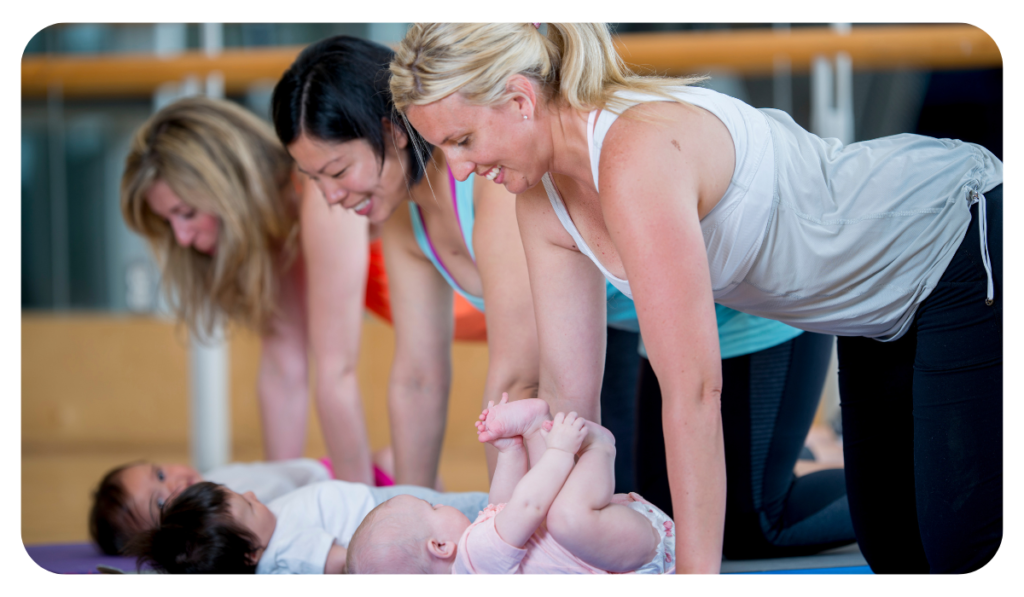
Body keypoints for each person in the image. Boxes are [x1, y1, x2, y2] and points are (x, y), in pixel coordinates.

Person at [389, 23, 1002, 573]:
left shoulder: (635, 154)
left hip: (951, 237)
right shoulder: (540, 199)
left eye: (463, 140)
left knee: (961, 553)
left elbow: (693, 391)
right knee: (897, 551)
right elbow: (568, 402)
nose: (460, 171)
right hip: (869, 314)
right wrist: (531, 557)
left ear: (520, 100)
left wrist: (694, 583)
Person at [270, 35, 646, 489]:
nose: (330, 197)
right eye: (314, 180)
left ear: (392, 132)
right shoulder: (404, 218)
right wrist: (411, 507)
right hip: (623, 331)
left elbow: (520, 374)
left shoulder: (491, 178)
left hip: (692, 323)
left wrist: (500, 523)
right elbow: (417, 379)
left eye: (337, 172)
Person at [121, 97, 482, 487]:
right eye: (168, 221)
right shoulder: (277, 237)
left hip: (486, 303)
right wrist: (279, 501)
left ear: (226, 188)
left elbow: (337, 373)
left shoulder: (321, 193)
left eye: (186, 213)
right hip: (476, 312)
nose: (182, 237)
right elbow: (283, 371)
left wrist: (357, 512)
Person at [346, 397, 673, 574]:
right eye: (432, 507)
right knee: (559, 518)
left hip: (620, 545)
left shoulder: (481, 563)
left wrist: (510, 451)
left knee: (549, 517)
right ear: (440, 546)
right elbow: (527, 504)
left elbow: (503, 504)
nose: (442, 504)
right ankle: (599, 447)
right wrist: (559, 450)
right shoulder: (474, 557)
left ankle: (533, 429)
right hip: (636, 555)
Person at [88, 454, 485, 557]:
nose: (172, 481)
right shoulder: (225, 526)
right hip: (353, 499)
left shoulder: (221, 478)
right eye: (160, 499)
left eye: (159, 472)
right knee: (448, 513)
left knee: (435, 498)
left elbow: (290, 479)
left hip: (338, 480)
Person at [124, 479, 489, 574]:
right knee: (477, 512)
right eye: (248, 503)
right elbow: (341, 562)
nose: (253, 493)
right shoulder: (287, 551)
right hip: (396, 519)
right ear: (251, 553)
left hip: (388, 505)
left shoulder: (265, 536)